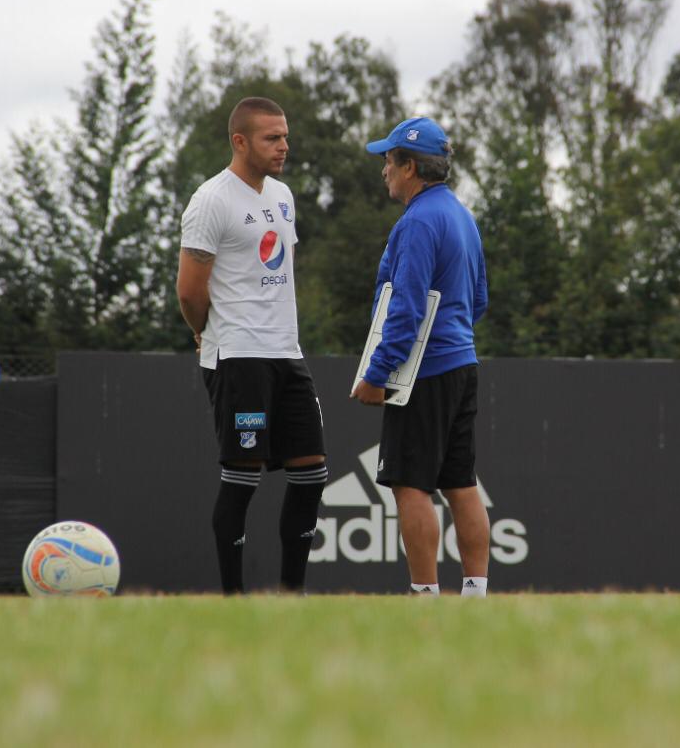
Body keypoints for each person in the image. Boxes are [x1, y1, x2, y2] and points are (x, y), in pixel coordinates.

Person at [176, 96, 328, 595]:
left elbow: (280, 268)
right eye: (272, 138)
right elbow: (189, 291)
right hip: (239, 356)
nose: (284, 146)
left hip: (288, 353)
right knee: (243, 479)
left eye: (285, 136)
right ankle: (233, 601)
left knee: (312, 473)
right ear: (240, 142)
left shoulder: (282, 195)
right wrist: (204, 331)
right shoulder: (211, 200)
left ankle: (291, 595)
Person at [351, 117, 491, 597]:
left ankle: (424, 600)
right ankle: (475, 597)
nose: (384, 170)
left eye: (389, 160)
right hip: (462, 364)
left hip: (422, 372)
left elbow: (406, 310)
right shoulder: (462, 215)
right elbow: (478, 301)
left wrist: (377, 374)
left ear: (410, 167)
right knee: (461, 484)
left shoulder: (416, 222)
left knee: (411, 486)